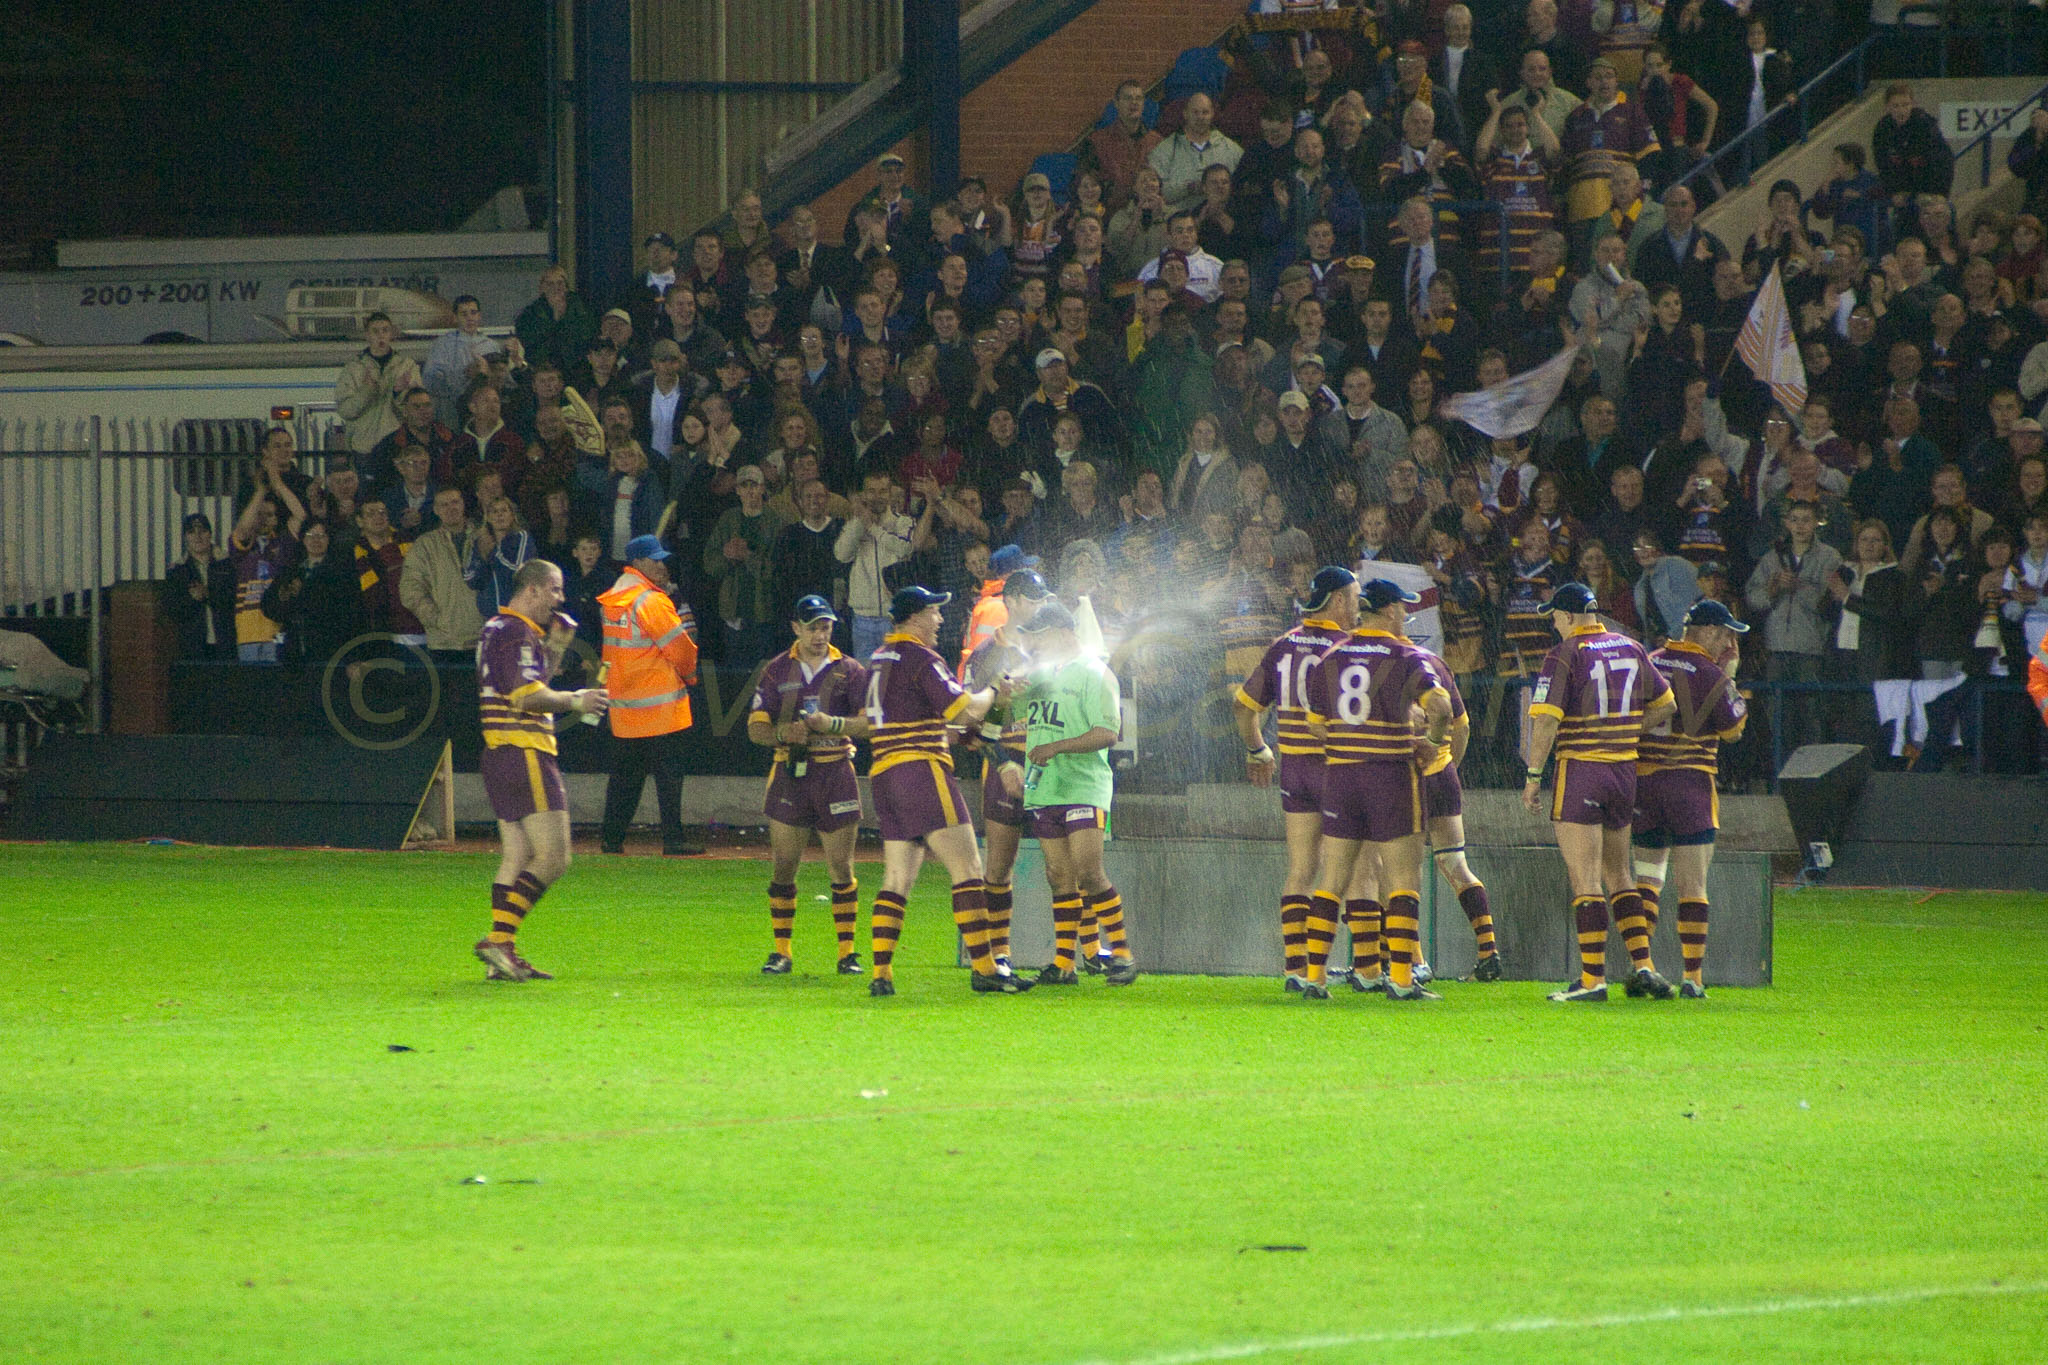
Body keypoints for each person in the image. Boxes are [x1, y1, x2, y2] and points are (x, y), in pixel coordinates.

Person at [861, 585, 1030, 997]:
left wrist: (955, 731)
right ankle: (986, 969)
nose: (939, 620)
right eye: (934, 612)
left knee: (896, 878)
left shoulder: (879, 658)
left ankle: (881, 974)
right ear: (915, 617)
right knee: (969, 870)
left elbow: (909, 717)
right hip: (921, 771)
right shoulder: (921, 657)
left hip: (884, 775)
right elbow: (964, 709)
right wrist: (997, 690)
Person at [1522, 582, 1677, 1003]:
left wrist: (1533, 775)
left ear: (1570, 616)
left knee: (1586, 879)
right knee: (1620, 874)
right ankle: (1644, 967)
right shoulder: (1631, 647)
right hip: (1623, 772)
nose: (1555, 625)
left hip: (1582, 770)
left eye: (1556, 618)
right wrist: (1627, 729)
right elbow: (1666, 704)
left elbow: (1546, 720)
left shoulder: (1565, 654)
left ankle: (1593, 979)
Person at [1300, 578, 1454, 1001]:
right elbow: (1441, 708)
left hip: (1341, 777)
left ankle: (1314, 978)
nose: (1405, 614)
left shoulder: (1330, 657)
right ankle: (1402, 980)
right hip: (1390, 775)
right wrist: (1432, 743)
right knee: (1403, 878)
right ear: (1388, 611)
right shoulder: (1405, 655)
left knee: (1333, 878)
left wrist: (1349, 742)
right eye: (1403, 607)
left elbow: (1315, 725)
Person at [472, 559, 609, 982]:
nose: (560, 598)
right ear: (531, 589)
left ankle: (502, 953)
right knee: (554, 857)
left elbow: (528, 682)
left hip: (500, 751)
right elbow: (526, 697)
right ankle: (499, 941)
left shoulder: (497, 627)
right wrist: (576, 700)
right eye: (554, 589)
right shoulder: (515, 631)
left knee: (518, 855)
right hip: (525, 750)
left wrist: (556, 647)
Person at [1235, 566, 1359, 992]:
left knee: (1302, 868)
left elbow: (1243, 706)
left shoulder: (1284, 644)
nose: (1358, 607)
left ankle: (1294, 968)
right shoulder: (1348, 646)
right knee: (1349, 871)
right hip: (1337, 767)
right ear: (1338, 600)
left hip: (1295, 769)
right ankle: (1362, 969)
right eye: (1354, 598)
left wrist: (1257, 749)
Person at [1003, 602, 1137, 986]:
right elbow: (1007, 713)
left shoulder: (1096, 673)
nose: (1035, 643)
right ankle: (1064, 964)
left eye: (1040, 635)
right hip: (1045, 787)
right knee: (1058, 875)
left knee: (1089, 872)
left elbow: (1107, 733)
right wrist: (1005, 694)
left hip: (1084, 786)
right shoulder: (1040, 675)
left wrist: (1055, 747)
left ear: (1063, 632)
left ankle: (1123, 955)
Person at [748, 596, 871, 976]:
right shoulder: (776, 670)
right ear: (796, 628)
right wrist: (783, 732)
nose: (820, 635)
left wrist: (831, 725)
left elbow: (869, 724)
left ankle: (847, 953)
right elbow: (755, 728)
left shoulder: (849, 669)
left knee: (841, 866)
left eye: (826, 627)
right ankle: (781, 952)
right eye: (813, 627)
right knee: (784, 865)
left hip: (835, 773)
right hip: (791, 772)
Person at [1633, 599, 1748, 999]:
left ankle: (1643, 966)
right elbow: (1733, 731)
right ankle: (1693, 978)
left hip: (1644, 784)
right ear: (1710, 632)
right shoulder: (1710, 672)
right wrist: (1730, 674)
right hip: (1690, 785)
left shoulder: (1648, 662)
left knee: (1647, 878)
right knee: (1692, 885)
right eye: (1727, 634)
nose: (1729, 643)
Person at [962, 567, 1056, 973]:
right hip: (1005, 764)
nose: (1041, 606)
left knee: (1064, 865)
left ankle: (1073, 956)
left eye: (1044, 599)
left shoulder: (1052, 649)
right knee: (999, 866)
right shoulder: (986, 655)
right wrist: (1001, 764)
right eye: (1034, 599)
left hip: (1050, 763)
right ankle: (999, 954)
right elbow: (971, 723)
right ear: (1013, 601)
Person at [597, 535, 702, 857]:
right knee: (669, 779)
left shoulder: (613, 600)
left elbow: (611, 654)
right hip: (661, 707)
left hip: (625, 708)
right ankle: (673, 840)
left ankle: (611, 839)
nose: (661, 565)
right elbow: (681, 649)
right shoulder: (651, 601)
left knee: (624, 779)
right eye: (654, 559)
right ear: (637, 563)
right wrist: (690, 677)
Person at [398, 487, 484, 659]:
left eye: (455, 502)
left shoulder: (484, 537)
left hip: (486, 638)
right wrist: (437, 619)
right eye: (444, 505)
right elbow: (410, 589)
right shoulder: (424, 545)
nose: (451, 508)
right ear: (436, 510)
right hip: (445, 643)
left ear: (463, 504)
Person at [335, 312, 422, 458]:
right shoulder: (353, 368)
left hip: (398, 446)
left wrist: (398, 393)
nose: (381, 335)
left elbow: (417, 412)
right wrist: (366, 392)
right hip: (364, 449)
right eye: (375, 331)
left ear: (391, 334)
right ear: (367, 335)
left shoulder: (407, 366)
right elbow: (345, 411)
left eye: (385, 330)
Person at [162, 513, 237, 661]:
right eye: (191, 532)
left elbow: (235, 599)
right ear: (185, 537)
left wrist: (208, 594)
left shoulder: (228, 564)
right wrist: (192, 598)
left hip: (227, 643)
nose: (198, 537)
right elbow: (172, 610)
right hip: (193, 647)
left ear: (210, 534)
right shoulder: (177, 571)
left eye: (202, 531)